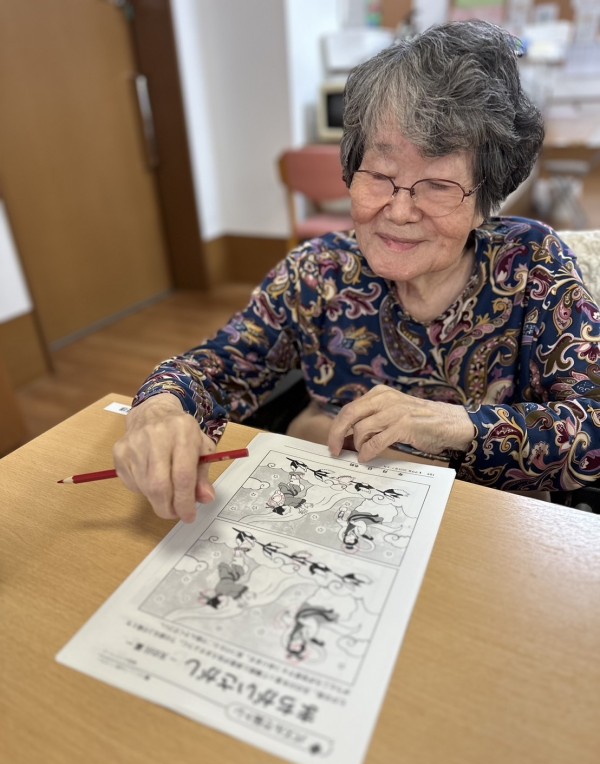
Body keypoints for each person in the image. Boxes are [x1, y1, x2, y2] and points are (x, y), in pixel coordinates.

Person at [113, 20, 600, 522]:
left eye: (438, 186)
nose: (400, 211)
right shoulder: (317, 273)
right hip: (349, 518)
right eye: (380, 175)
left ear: (485, 203)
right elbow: (215, 368)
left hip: (489, 527)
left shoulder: (531, 263)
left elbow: (594, 427)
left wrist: (455, 425)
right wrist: (159, 411)